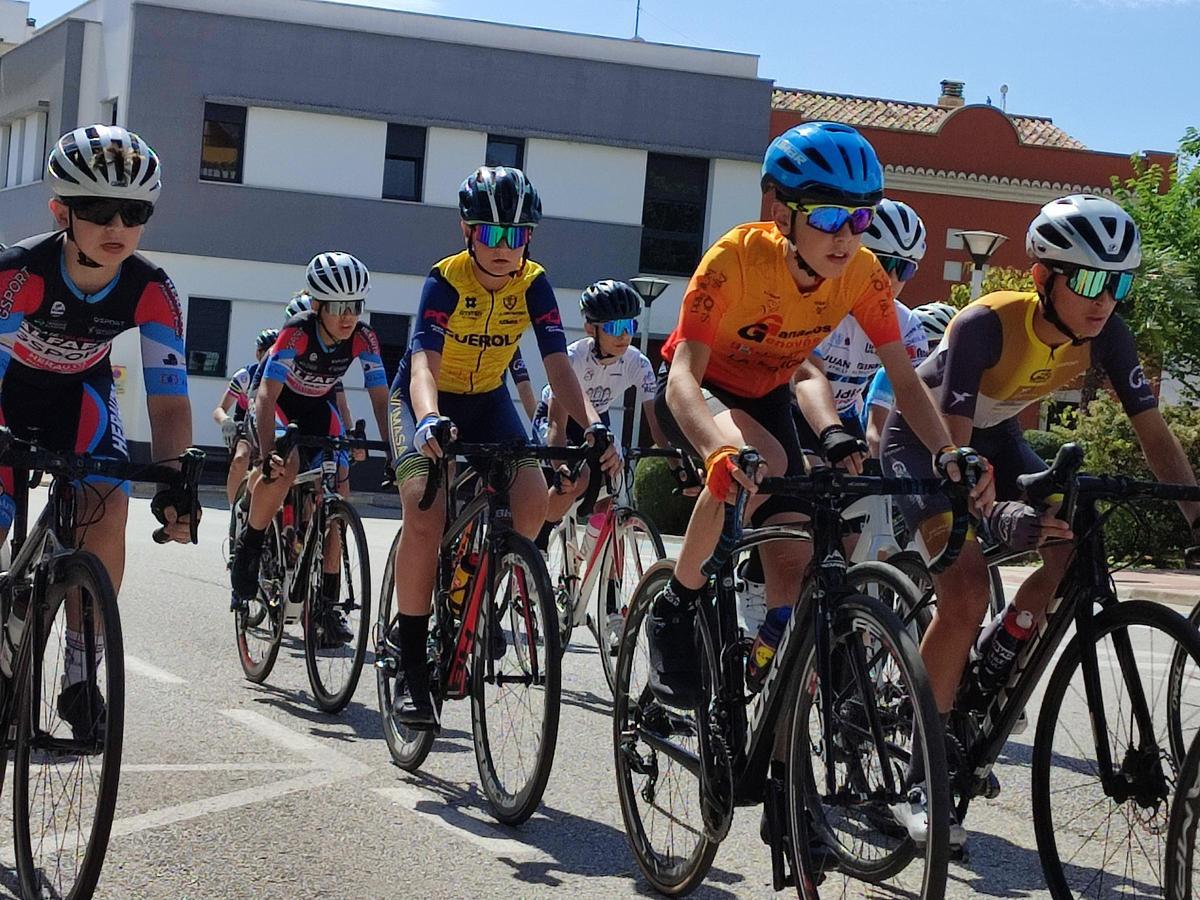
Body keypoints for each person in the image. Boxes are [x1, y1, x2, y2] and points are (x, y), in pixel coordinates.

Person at [882, 193, 1200, 848]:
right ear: (1041, 277)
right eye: (1087, 280)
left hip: (1000, 440)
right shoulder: (985, 324)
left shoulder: (1108, 334)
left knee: (1072, 546)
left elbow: (1153, 433)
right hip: (931, 443)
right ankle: (919, 782)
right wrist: (996, 515)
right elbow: (958, 454)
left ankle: (1001, 653)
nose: (1103, 298)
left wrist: (1196, 519)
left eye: (1117, 283)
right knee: (966, 591)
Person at [647, 122, 990, 711]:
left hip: (768, 397)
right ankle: (674, 606)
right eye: (830, 218)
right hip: (698, 389)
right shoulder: (733, 260)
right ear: (781, 214)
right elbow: (682, 373)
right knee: (765, 461)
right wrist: (715, 451)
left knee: (794, 557)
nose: (846, 237)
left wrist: (947, 453)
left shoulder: (861, 275)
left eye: (861, 220)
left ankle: (773, 683)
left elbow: (905, 382)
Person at [386, 166, 618, 728]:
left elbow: (559, 367)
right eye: (490, 234)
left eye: (514, 236)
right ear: (467, 233)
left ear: (528, 240)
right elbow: (422, 365)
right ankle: (410, 656)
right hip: (427, 401)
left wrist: (591, 426)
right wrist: (428, 419)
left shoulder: (534, 284)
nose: (502, 248)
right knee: (425, 508)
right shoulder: (444, 281)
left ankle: (473, 603)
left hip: (488, 401)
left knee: (534, 500)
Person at [0, 124, 198, 735]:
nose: (117, 227)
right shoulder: (18, 274)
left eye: (133, 212)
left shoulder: (152, 290)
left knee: (110, 506)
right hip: (7, 396)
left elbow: (168, 403)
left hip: (79, 397)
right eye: (97, 209)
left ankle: (81, 676)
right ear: (62, 210)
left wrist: (173, 481)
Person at [229, 252, 391, 645]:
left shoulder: (364, 337)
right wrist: (267, 454)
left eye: (354, 305)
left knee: (340, 491)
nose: (347, 315)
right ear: (317, 306)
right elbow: (266, 396)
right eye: (337, 307)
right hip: (280, 403)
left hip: (319, 406)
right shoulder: (297, 333)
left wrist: (394, 454)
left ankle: (328, 604)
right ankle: (250, 547)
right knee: (287, 464)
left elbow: (382, 399)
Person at [537, 280, 667, 651]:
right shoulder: (574, 357)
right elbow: (556, 425)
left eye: (629, 327)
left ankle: (608, 597)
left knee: (611, 504)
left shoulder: (637, 363)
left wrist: (676, 460)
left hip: (599, 424)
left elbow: (654, 422)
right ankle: (540, 541)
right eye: (614, 328)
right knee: (572, 484)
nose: (624, 336)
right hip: (560, 418)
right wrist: (559, 465)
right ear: (592, 328)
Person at [214, 328, 277, 503]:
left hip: (274, 426)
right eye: (266, 352)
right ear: (258, 353)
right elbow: (220, 409)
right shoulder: (245, 376)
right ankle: (235, 509)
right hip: (247, 427)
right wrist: (226, 421)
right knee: (241, 458)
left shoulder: (284, 375)